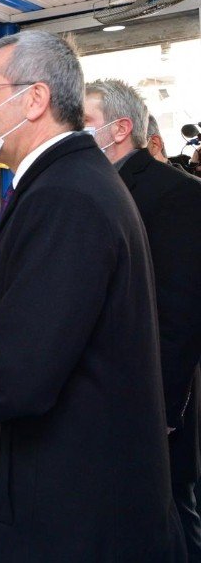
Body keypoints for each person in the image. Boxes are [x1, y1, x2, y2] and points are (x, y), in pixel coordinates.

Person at [0, 30, 184, 561]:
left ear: (35, 99)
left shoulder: (65, 196)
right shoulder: (74, 178)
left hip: (77, 512)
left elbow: (20, 376)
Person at [85, 79, 201, 560]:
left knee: (171, 515)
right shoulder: (93, 187)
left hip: (156, 402)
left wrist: (164, 411)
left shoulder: (176, 194)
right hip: (114, 399)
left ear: (120, 128)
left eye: (85, 123)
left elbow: (179, 316)